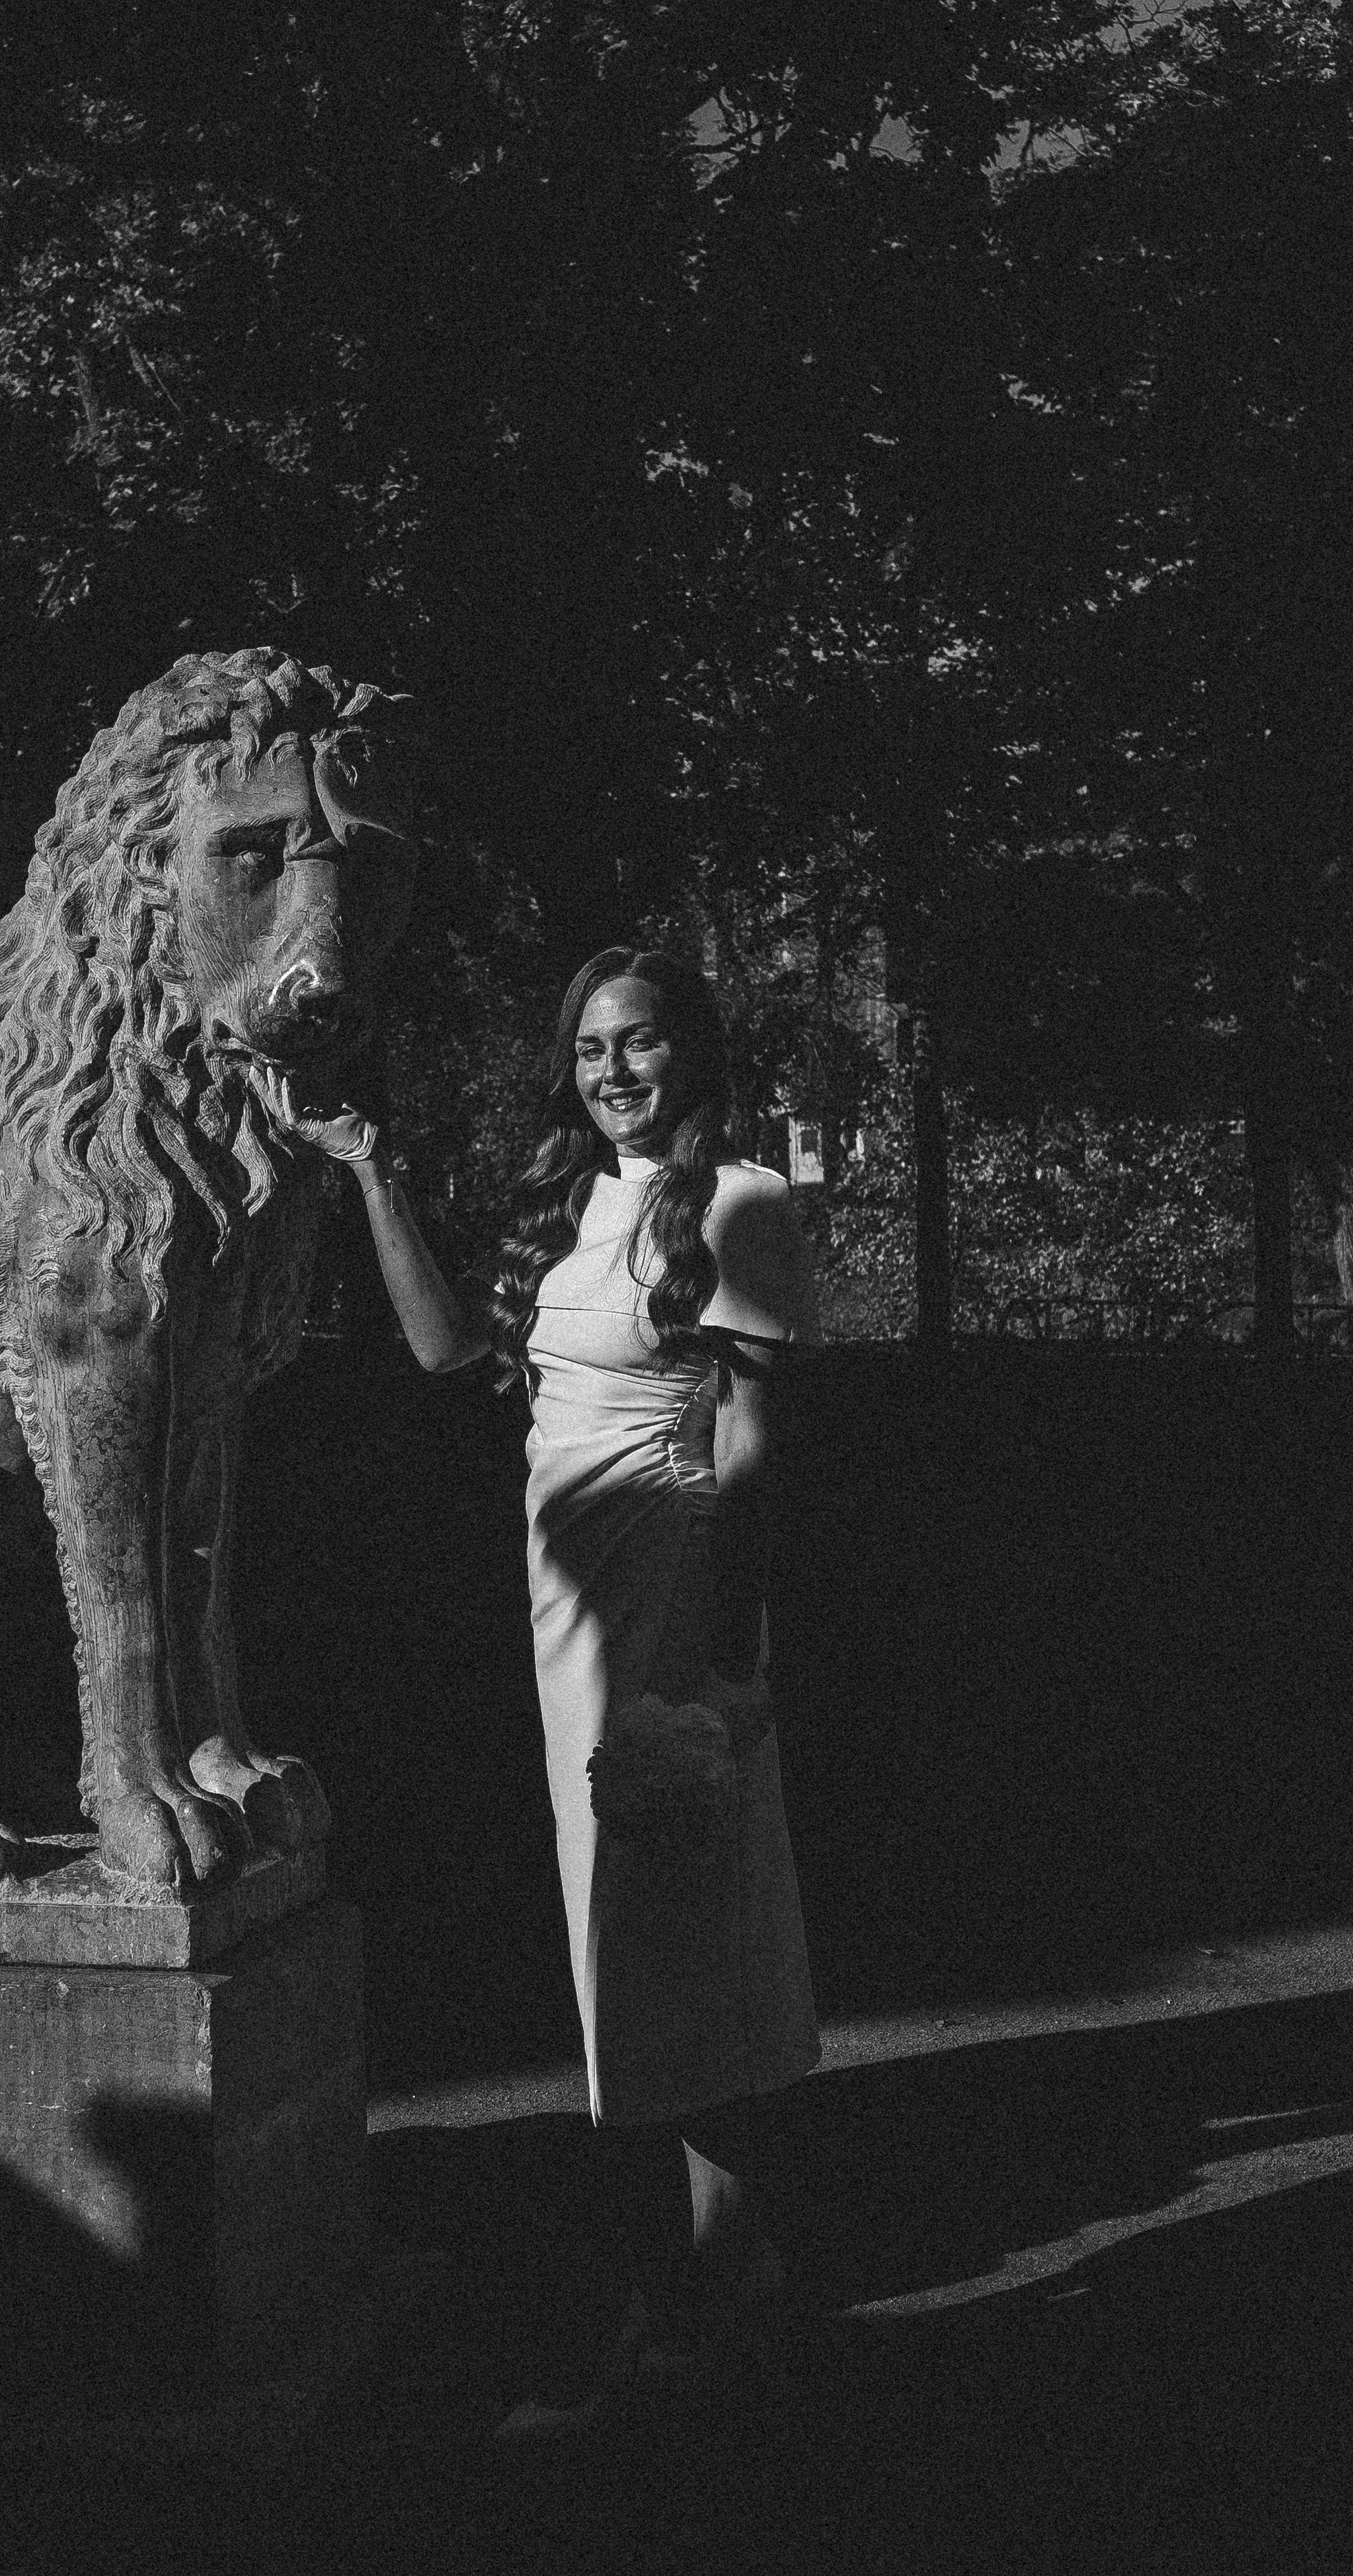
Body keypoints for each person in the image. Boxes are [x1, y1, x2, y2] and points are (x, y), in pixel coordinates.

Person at [259, 944, 821, 2401]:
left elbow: (751, 1452)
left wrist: (728, 1657)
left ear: (689, 1053)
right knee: (612, 1927)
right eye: (586, 1051)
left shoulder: (744, 1205)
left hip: (667, 1591)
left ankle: (712, 2265)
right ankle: (711, 2256)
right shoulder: (568, 1203)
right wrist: (369, 1171)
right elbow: (450, 1351)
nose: (611, 1072)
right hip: (560, 1602)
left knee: (675, 1916)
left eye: (635, 1044)